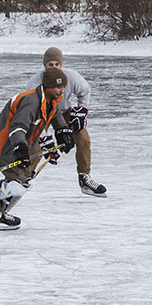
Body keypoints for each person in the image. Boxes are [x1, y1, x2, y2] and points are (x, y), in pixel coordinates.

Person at [0, 67, 75, 230]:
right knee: (16, 185)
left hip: (28, 142)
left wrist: (62, 130)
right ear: (47, 86)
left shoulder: (51, 100)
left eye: (63, 87)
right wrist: (20, 147)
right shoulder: (31, 101)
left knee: (26, 182)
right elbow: (17, 127)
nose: (61, 91)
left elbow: (55, 113)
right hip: (5, 144)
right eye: (58, 87)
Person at [27, 47, 107, 197]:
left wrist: (81, 110)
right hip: (41, 114)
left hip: (63, 111)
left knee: (83, 138)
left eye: (57, 64)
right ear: (45, 65)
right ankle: (25, 177)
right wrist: (43, 138)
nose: (54, 67)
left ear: (61, 65)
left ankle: (84, 177)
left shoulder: (71, 77)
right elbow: (31, 112)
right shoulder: (34, 83)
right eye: (51, 64)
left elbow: (85, 91)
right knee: (35, 146)